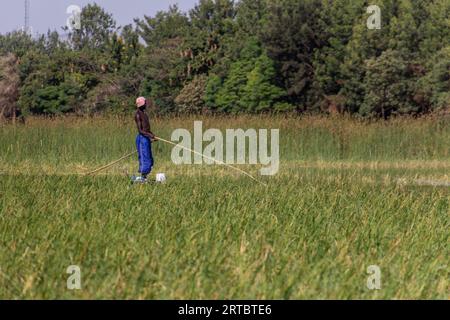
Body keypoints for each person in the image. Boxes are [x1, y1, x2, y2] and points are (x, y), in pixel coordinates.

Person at [134, 97, 157, 182]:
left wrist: (152, 136)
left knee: (149, 158)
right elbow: (140, 130)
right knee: (144, 158)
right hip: (142, 138)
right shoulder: (137, 114)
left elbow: (147, 129)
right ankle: (142, 178)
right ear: (141, 104)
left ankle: (144, 177)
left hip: (146, 138)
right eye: (145, 103)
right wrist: (150, 135)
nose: (146, 104)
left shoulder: (144, 114)